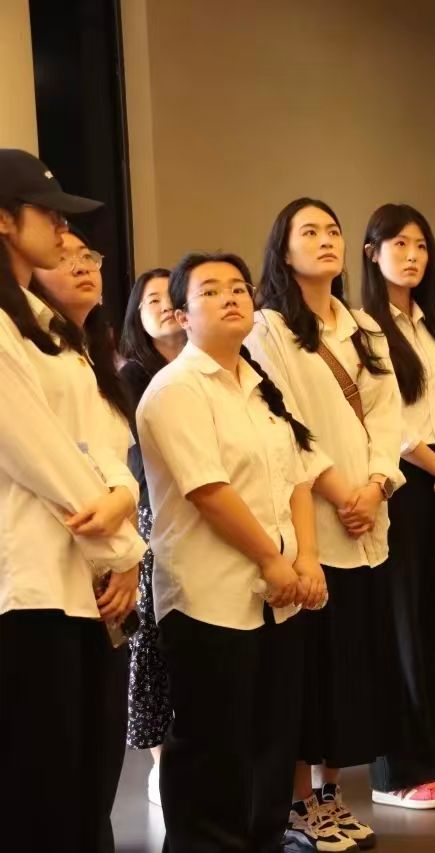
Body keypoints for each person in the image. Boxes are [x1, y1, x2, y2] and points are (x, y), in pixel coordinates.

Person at [138, 251, 326, 851]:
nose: (231, 297)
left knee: (272, 741)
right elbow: (208, 491)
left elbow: (298, 477)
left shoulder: (260, 384)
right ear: (182, 316)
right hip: (210, 596)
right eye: (211, 290)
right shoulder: (175, 389)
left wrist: (306, 558)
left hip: (280, 595)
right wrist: (271, 560)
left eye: (239, 288)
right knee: (213, 750)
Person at [0, 148, 146, 852]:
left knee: (89, 781)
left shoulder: (51, 326)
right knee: (42, 788)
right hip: (29, 585)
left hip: (84, 581)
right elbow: (38, 452)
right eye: (49, 214)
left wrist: (124, 507)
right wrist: (123, 541)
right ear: (4, 221)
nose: (64, 230)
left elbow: (104, 444)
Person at [248, 198, 403, 852]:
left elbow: (389, 415)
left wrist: (377, 484)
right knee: (306, 674)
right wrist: (343, 492)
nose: (325, 240)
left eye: (333, 230)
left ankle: (330, 796)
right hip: (312, 521)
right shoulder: (268, 329)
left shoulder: (363, 324)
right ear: (283, 251)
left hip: (368, 522)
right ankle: (295, 808)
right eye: (308, 231)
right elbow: (286, 422)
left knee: (348, 671)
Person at [358, 203, 435, 810]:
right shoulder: (364, 327)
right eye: (399, 244)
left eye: (421, 246)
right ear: (372, 253)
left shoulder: (431, 326)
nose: (412, 256)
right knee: (402, 627)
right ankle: (398, 772)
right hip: (402, 482)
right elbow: (392, 424)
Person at [117, 265, 184, 804]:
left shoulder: (209, 367)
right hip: (152, 515)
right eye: (151, 299)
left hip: (205, 518)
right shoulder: (131, 376)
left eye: (170, 296)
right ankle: (160, 765)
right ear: (136, 316)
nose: (163, 306)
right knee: (152, 643)